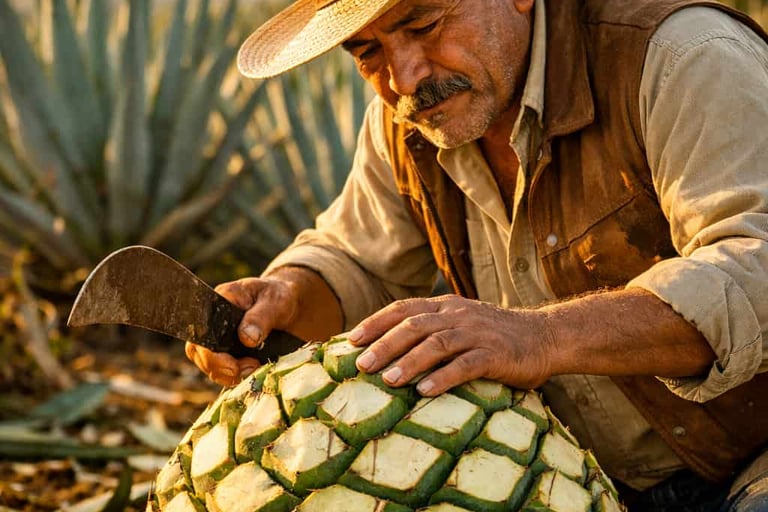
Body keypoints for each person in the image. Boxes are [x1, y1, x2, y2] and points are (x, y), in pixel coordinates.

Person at [185, 0, 768, 509]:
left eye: (425, 24)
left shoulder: (681, 56)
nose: (405, 78)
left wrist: (537, 336)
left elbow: (755, 267)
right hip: (584, 481)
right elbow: (357, 260)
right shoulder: (409, 122)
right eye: (366, 52)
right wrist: (286, 294)